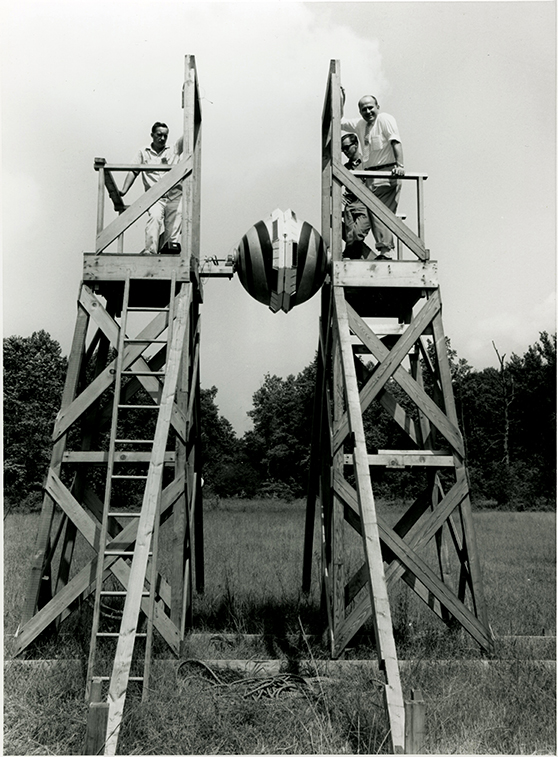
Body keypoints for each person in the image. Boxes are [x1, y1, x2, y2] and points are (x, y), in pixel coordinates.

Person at [341, 94, 405, 259]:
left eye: (371, 107)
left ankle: (386, 251)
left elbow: (395, 141)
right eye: (364, 109)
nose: (368, 111)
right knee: (375, 212)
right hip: (371, 176)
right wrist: (340, 99)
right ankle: (385, 251)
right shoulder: (361, 124)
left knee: (380, 212)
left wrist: (400, 165)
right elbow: (339, 122)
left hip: (386, 172)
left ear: (377, 107)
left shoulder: (384, 119)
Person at [119, 122, 183, 254]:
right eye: (159, 135)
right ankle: (151, 251)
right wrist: (124, 190)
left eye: (165, 136)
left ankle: (170, 249)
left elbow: (188, 137)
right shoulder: (144, 152)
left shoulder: (174, 149)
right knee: (154, 217)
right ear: (152, 135)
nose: (163, 138)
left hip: (174, 195)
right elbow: (133, 171)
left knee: (176, 220)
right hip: (155, 197)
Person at [341, 133, 371, 260]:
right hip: (350, 206)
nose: (345, 151)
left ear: (356, 145)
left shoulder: (367, 162)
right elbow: (333, 186)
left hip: (365, 204)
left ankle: (348, 256)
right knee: (349, 237)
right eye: (343, 149)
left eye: (347, 147)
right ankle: (352, 260)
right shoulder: (344, 168)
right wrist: (339, 196)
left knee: (357, 233)